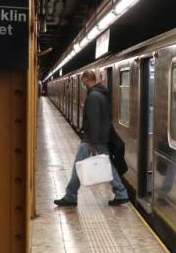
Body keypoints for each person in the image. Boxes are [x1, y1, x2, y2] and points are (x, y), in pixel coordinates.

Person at [54, 71, 129, 207]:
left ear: (87, 79)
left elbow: (94, 121)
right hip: (99, 138)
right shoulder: (101, 94)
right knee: (107, 166)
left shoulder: (93, 96)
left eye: (83, 81)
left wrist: (93, 142)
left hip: (92, 139)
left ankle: (71, 196)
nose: (83, 83)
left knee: (78, 166)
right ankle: (121, 193)